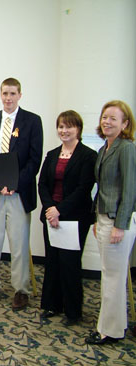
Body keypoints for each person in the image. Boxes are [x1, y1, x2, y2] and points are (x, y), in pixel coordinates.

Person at [0, 77, 43, 310]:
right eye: (5, 93)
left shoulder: (32, 121)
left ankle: (20, 290)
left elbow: (35, 160)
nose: (8, 98)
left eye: (13, 93)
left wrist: (15, 182)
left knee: (19, 245)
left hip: (18, 194)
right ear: (0, 94)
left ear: (20, 95)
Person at [38, 110, 97, 325]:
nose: (64, 130)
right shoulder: (52, 154)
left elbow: (84, 189)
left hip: (74, 218)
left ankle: (73, 311)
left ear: (78, 129)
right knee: (52, 262)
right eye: (61, 126)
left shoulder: (88, 155)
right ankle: (52, 305)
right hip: (50, 216)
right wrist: (50, 209)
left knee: (70, 264)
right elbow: (42, 184)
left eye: (69, 126)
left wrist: (59, 210)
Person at [85, 100, 136, 345]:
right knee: (110, 275)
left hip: (118, 221)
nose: (107, 122)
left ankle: (109, 331)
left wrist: (120, 225)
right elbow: (103, 188)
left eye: (113, 118)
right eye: (105, 117)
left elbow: (129, 189)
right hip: (105, 218)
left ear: (125, 124)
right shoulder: (105, 147)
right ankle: (116, 325)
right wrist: (98, 218)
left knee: (113, 278)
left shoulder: (126, 148)